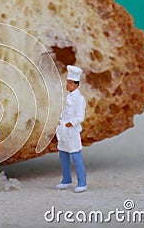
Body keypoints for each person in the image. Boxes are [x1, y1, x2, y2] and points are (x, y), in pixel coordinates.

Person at [55, 65, 87, 193]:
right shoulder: (68, 96)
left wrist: (71, 123)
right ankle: (66, 179)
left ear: (76, 84)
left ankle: (82, 182)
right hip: (63, 130)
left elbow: (80, 116)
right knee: (63, 155)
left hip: (72, 131)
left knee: (76, 156)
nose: (67, 85)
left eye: (69, 83)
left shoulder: (79, 99)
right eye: (67, 82)